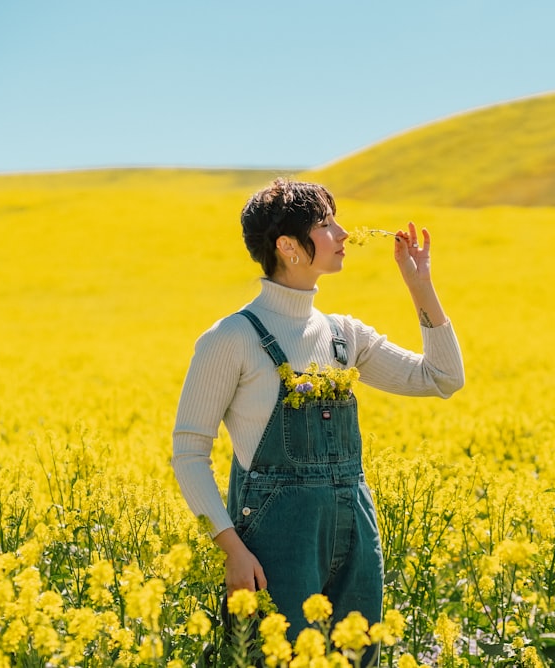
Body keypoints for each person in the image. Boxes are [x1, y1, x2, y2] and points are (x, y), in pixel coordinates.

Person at [171, 178, 464, 663]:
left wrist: (420, 285)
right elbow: (189, 453)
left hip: (356, 536)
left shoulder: (344, 335)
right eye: (325, 225)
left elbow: (442, 378)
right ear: (288, 247)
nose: (344, 233)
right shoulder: (231, 339)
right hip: (275, 546)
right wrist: (231, 550)